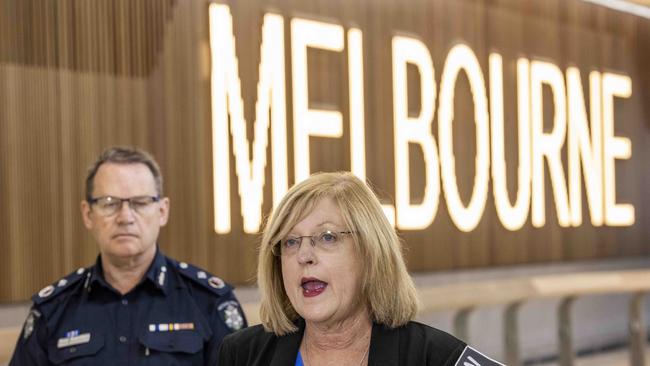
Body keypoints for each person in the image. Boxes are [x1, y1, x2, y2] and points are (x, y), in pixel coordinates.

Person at [218, 171, 503, 366]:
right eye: (290, 242)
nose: (304, 255)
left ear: (370, 252)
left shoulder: (435, 357)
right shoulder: (244, 354)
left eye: (327, 237)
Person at [10, 146, 247, 366]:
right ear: (88, 214)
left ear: (162, 211)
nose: (125, 217)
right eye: (109, 203)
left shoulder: (208, 302)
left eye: (140, 202)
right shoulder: (53, 310)